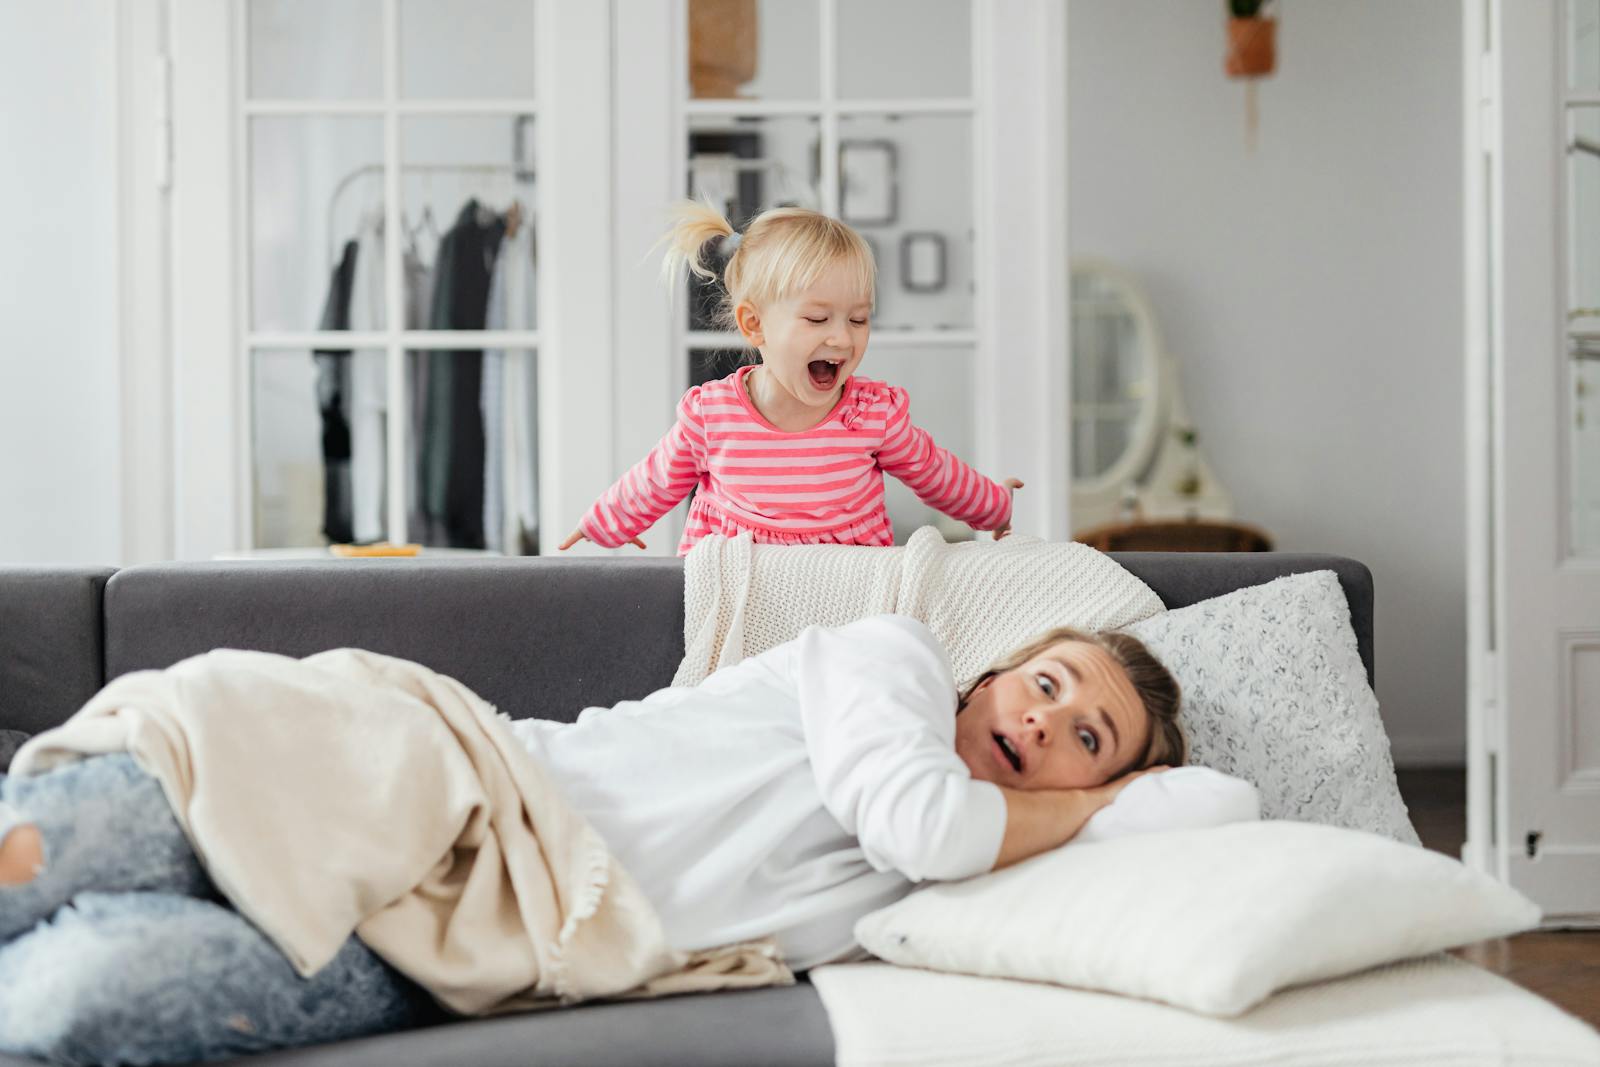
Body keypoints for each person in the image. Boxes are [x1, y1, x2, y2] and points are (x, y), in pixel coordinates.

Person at [0, 617, 1184, 1064]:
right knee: (52, 849)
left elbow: (1184, 833)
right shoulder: (893, 664)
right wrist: (1089, 797)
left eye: (1086, 734)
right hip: (454, 789)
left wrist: (1111, 812)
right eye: (1044, 680)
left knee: (75, 1001)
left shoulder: (952, 886)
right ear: (991, 666)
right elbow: (924, 817)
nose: (1042, 718)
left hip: (470, 956)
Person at [558, 202, 1022, 555]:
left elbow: (935, 472)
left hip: (847, 601)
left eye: (859, 320)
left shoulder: (873, 416)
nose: (842, 338)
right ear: (754, 324)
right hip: (736, 594)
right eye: (818, 320)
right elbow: (655, 479)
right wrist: (602, 524)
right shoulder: (713, 416)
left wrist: (994, 505)